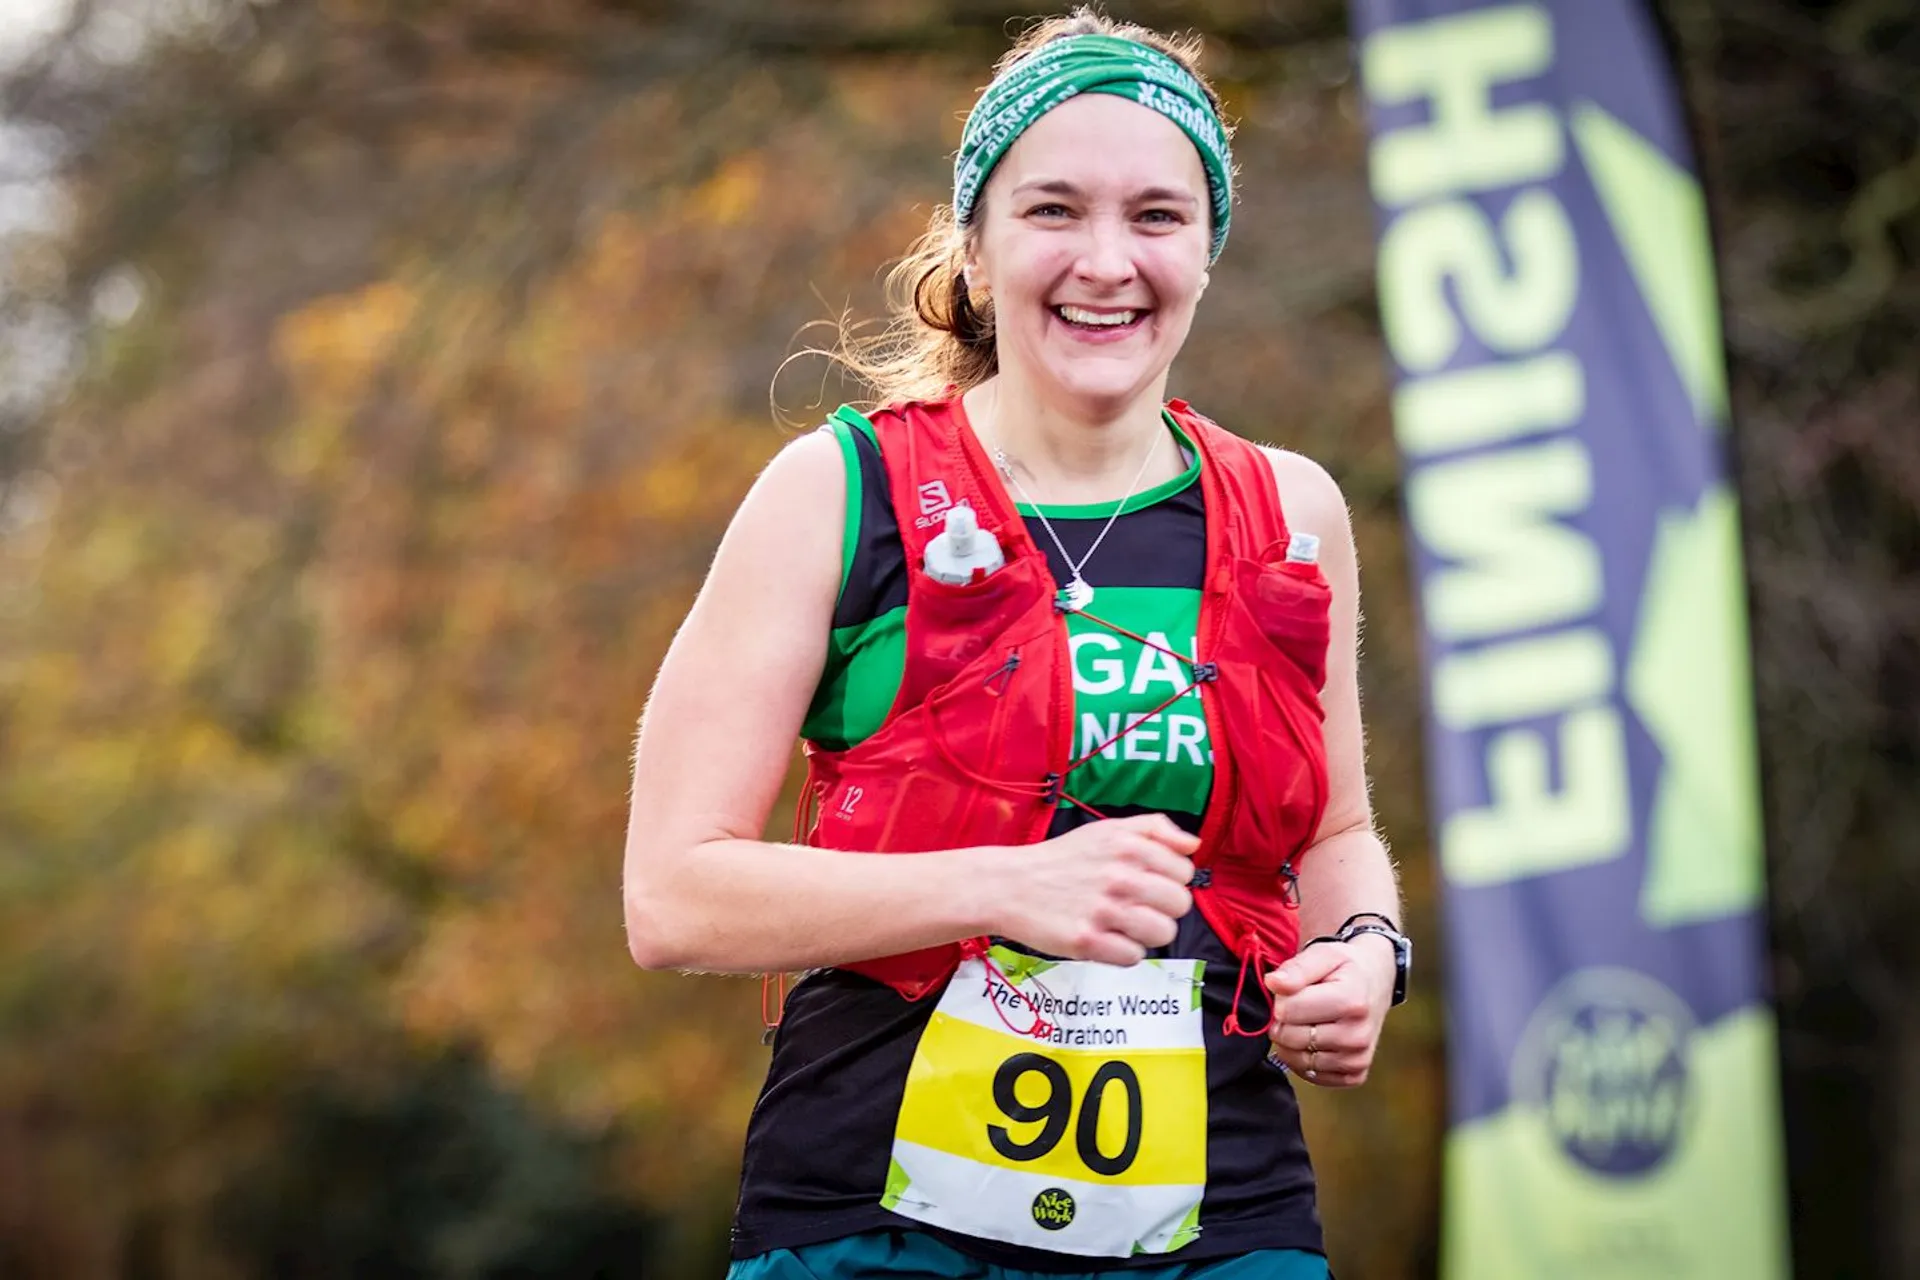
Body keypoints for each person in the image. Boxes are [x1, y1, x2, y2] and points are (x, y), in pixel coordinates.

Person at [623, 9, 1408, 1278]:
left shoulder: (1293, 511)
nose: (1108, 260)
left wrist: (1367, 950)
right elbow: (672, 894)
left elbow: (1334, 834)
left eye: (1157, 216)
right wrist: (1003, 883)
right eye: (1054, 210)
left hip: (1227, 1212)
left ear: (1208, 251)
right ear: (976, 249)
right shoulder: (839, 492)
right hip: (874, 1218)